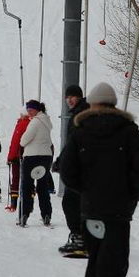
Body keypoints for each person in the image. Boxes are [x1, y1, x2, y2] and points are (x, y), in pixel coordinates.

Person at [59, 82, 139, 277]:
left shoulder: (79, 132)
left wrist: (87, 194)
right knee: (112, 270)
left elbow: (67, 172)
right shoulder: (130, 133)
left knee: (95, 266)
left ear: (93, 104)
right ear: (113, 104)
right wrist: (129, 197)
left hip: (90, 213)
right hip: (117, 215)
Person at [56, 84, 89, 255]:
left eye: (73, 97)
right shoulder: (78, 113)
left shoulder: (81, 115)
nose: (69, 100)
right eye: (67, 97)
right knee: (78, 203)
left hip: (81, 168)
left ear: (79, 97)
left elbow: (74, 143)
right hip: (81, 166)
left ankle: (80, 237)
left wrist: (63, 161)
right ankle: (83, 237)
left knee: (71, 202)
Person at [18, 100, 53, 227]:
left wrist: (22, 141)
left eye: (31, 110)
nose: (29, 112)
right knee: (43, 186)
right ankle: (46, 214)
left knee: (27, 187)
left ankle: (24, 214)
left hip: (32, 157)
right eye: (28, 110)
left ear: (37, 109)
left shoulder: (35, 122)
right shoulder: (47, 121)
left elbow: (24, 140)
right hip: (46, 157)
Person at [6, 113, 30, 211]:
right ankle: (29, 202)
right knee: (29, 179)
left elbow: (15, 141)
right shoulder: (35, 123)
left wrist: (10, 157)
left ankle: (14, 204)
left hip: (18, 155)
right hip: (31, 156)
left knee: (16, 178)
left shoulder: (21, 124)